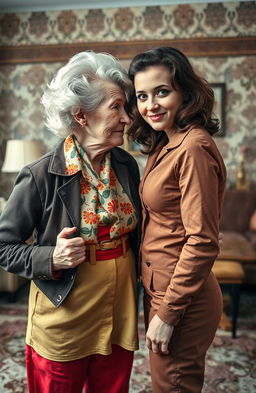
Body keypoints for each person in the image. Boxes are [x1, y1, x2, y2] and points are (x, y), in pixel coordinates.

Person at [0, 51, 142, 393]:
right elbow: (3, 247)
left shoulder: (126, 165)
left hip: (119, 304)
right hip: (65, 310)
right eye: (117, 107)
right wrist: (50, 258)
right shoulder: (38, 175)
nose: (127, 118)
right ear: (81, 114)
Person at [128, 47, 227, 393]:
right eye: (142, 95)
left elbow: (203, 240)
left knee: (173, 387)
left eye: (161, 91)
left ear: (184, 91)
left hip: (181, 298)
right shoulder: (167, 142)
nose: (150, 104)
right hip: (162, 289)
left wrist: (169, 313)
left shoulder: (193, 148)